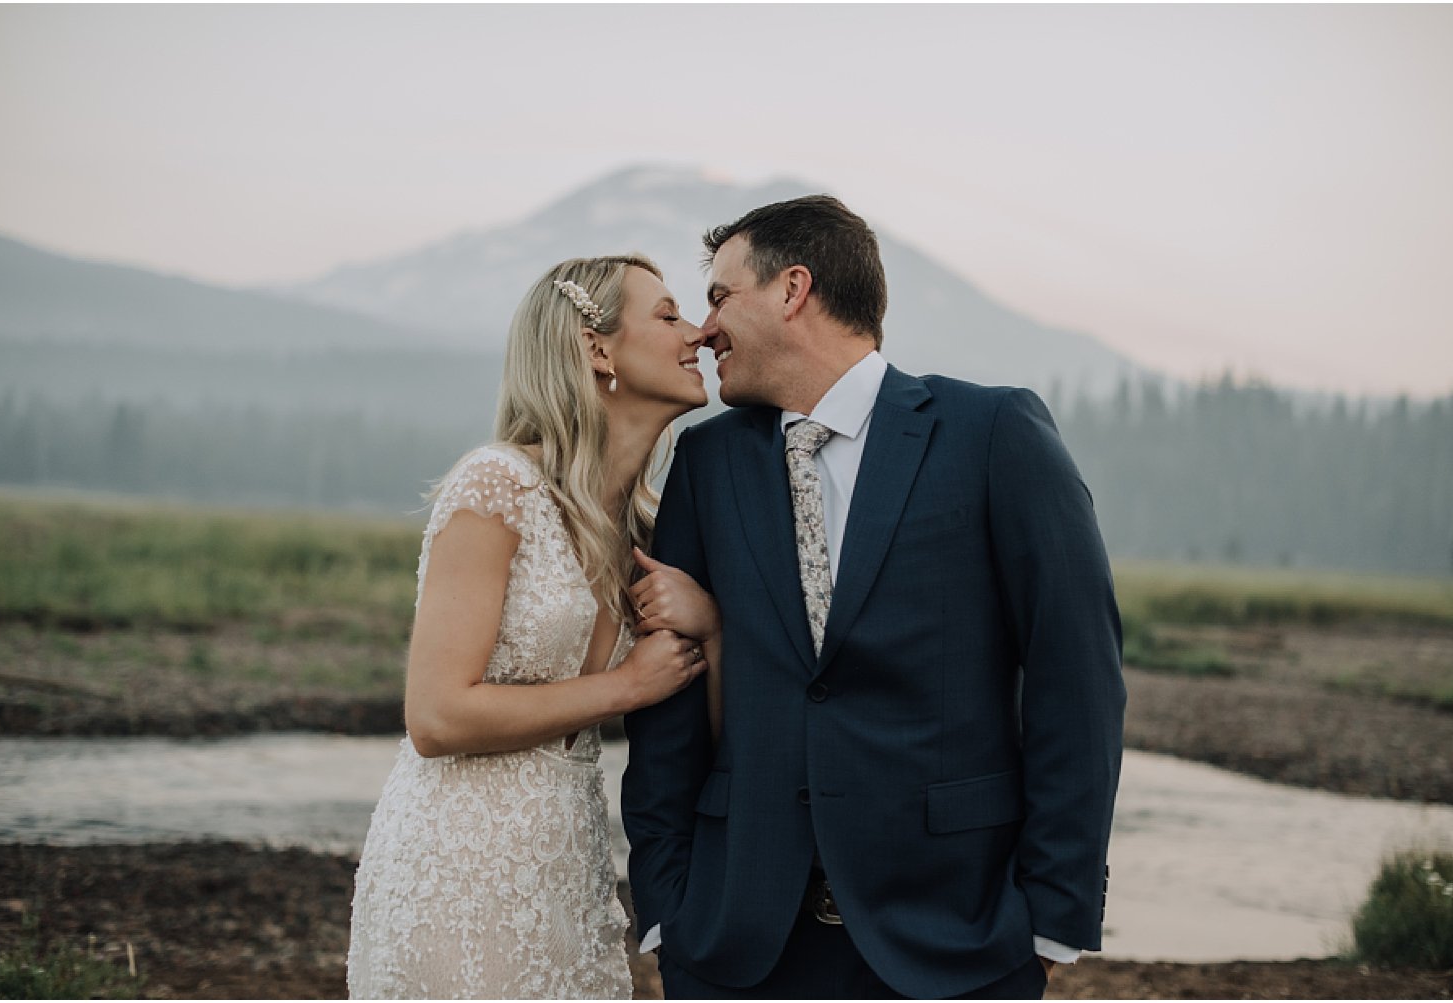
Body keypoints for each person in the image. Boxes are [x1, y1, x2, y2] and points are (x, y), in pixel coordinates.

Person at [621, 195, 1127, 999]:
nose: (705, 329)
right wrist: (666, 910)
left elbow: (1079, 679)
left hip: (956, 939)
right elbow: (670, 705)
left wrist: (1049, 924)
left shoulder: (992, 432)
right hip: (738, 945)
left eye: (720, 297)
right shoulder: (706, 461)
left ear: (793, 289)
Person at [346, 254, 713, 999]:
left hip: (569, 867)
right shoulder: (499, 485)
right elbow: (436, 716)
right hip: (457, 863)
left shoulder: (644, 528)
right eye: (670, 315)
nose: (699, 333)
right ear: (597, 349)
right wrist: (625, 687)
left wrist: (709, 619)